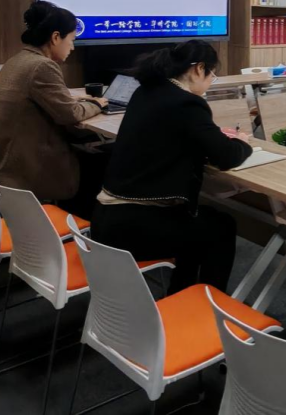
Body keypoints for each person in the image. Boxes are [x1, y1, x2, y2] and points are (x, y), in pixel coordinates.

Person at [89, 40, 252, 294]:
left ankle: (182, 294)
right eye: (212, 74)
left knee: (202, 221)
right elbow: (227, 156)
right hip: (131, 226)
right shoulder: (187, 103)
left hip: (106, 217)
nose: (211, 81)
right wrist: (242, 142)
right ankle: (209, 306)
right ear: (199, 69)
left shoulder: (146, 91)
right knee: (221, 227)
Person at [0, 1, 108, 217]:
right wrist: (96, 104)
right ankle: (79, 227)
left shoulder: (18, 60)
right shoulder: (42, 66)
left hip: (2, 164)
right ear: (56, 37)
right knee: (101, 160)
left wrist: (75, 101)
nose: (72, 48)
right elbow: (71, 113)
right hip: (25, 169)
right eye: (71, 40)